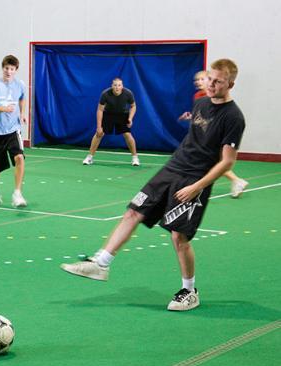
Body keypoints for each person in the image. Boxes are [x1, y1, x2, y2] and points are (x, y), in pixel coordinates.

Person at [63, 59, 245, 312]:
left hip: (195, 178)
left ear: (231, 84)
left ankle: (189, 291)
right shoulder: (201, 102)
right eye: (210, 79)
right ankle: (101, 263)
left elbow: (227, 162)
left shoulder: (234, 117)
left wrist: (197, 187)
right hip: (173, 168)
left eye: (218, 82)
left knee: (178, 236)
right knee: (133, 211)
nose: (212, 85)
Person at [180, 70, 248, 198]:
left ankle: (237, 180)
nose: (199, 82)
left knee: (215, 162)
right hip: (200, 137)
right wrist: (190, 116)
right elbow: (202, 117)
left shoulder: (224, 106)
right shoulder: (199, 97)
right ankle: (236, 180)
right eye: (196, 80)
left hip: (211, 140)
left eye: (202, 79)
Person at [0, 54, 27, 208]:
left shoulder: (19, 84)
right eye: (6, 68)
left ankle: (17, 193)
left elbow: (22, 98)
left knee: (20, 158)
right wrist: (4, 108)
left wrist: (22, 113)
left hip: (13, 130)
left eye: (12, 69)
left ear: (16, 70)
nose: (9, 71)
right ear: (2, 68)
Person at [83, 78, 140, 166]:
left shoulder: (128, 93)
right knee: (99, 134)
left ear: (122, 86)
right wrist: (99, 127)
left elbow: (133, 106)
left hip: (122, 114)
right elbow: (100, 110)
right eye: (115, 85)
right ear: (112, 86)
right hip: (108, 114)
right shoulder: (105, 94)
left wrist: (130, 118)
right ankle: (89, 157)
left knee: (127, 134)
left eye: (119, 85)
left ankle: (135, 158)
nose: (117, 87)